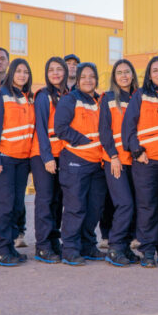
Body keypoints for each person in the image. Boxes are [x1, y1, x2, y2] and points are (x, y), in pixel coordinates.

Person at [122, 55, 158, 268]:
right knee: (147, 206)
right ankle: (147, 251)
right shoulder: (140, 95)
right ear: (149, 74)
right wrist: (136, 151)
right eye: (155, 70)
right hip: (146, 160)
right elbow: (129, 126)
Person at [54, 62, 107, 265]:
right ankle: (70, 249)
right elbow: (60, 127)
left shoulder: (99, 101)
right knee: (75, 207)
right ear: (77, 80)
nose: (88, 80)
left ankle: (87, 246)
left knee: (94, 208)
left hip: (96, 164)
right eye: (83, 76)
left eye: (91, 76)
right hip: (76, 161)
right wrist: (83, 141)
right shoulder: (70, 99)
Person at [0, 58, 35, 266]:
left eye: (26, 72)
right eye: (18, 71)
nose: (22, 75)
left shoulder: (28, 98)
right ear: (11, 73)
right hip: (3, 159)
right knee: (4, 205)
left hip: (22, 161)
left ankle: (10, 247)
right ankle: (1, 249)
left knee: (15, 205)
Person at [100, 59, 140, 267]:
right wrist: (113, 157)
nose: (124, 76)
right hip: (115, 160)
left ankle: (124, 246)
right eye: (119, 73)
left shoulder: (140, 97)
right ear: (114, 77)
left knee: (134, 205)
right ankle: (114, 247)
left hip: (137, 162)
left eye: (127, 72)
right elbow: (104, 130)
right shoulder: (107, 99)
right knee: (124, 204)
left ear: (133, 74)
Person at [31, 56, 67, 263]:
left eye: (59, 69)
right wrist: (47, 157)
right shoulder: (43, 96)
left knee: (57, 200)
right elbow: (41, 129)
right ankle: (42, 246)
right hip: (44, 155)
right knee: (45, 200)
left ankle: (54, 241)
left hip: (63, 155)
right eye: (51, 69)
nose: (55, 73)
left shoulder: (69, 96)